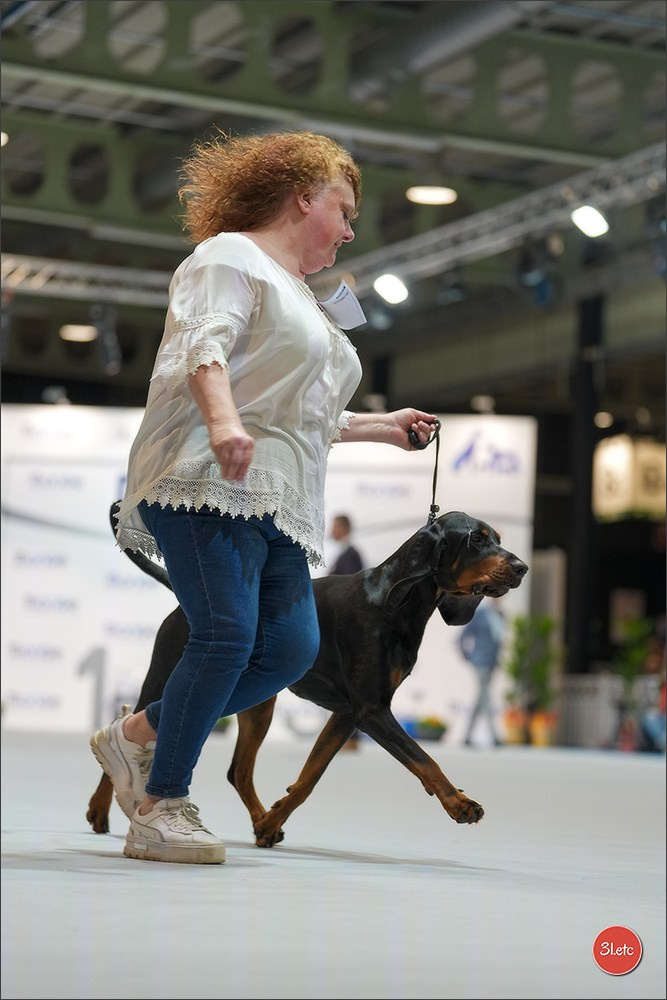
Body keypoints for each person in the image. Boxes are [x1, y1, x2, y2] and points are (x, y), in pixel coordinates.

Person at [90, 128, 438, 865]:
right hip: (206, 479)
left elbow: (301, 413)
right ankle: (160, 806)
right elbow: (199, 346)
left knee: (289, 650)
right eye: (342, 210)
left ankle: (135, 737)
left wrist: (384, 427)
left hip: (276, 496)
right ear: (302, 195)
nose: (348, 230)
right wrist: (221, 423)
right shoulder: (228, 257)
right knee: (223, 639)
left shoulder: (308, 302)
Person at [458, 596, 506, 747]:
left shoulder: (501, 615)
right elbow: (463, 636)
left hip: (492, 662)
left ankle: (467, 735)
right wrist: (468, 656)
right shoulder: (481, 614)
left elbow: (498, 641)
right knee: (486, 696)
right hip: (480, 660)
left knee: (480, 698)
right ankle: (494, 735)